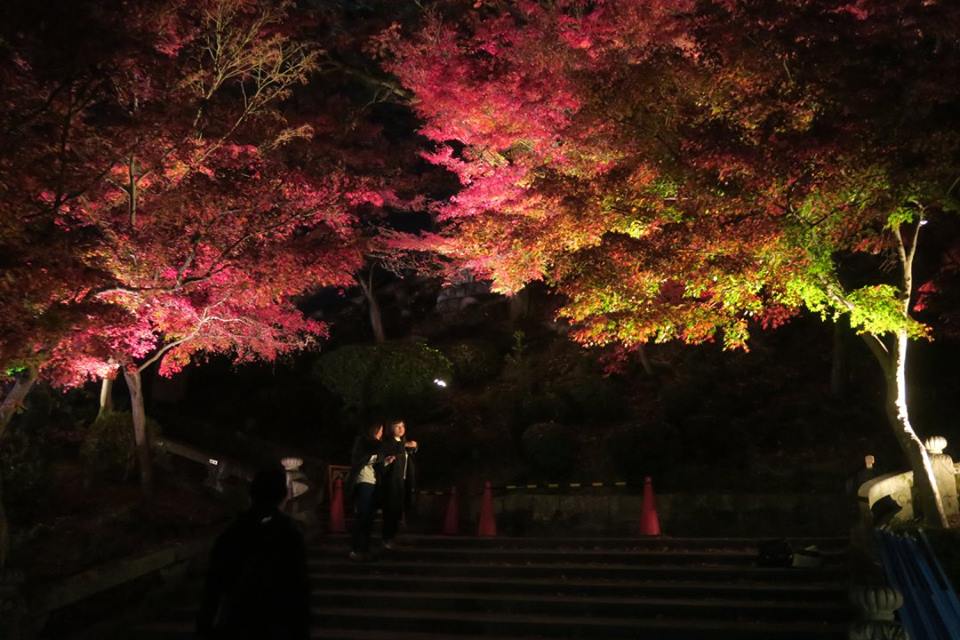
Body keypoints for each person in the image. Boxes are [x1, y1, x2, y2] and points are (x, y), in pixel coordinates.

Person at [197, 463, 309, 640]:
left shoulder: (234, 532)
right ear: (283, 495)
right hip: (276, 622)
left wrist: (205, 626)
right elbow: (299, 588)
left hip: (238, 620)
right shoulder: (289, 534)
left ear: (252, 493)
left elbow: (213, 586)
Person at [347, 423, 388, 561]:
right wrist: (376, 457)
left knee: (370, 517)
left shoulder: (381, 445)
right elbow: (358, 459)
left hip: (374, 482)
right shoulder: (362, 441)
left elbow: (378, 465)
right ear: (374, 430)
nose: (381, 433)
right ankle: (355, 549)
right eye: (380, 430)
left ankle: (365, 549)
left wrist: (385, 461)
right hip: (363, 480)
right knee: (362, 515)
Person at [379, 419, 418, 550]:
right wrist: (406, 445)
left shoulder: (403, 442)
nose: (401, 429)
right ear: (391, 428)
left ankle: (392, 538)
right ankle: (386, 538)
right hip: (392, 482)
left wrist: (413, 447)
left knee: (397, 511)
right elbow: (392, 453)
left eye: (402, 426)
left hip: (403, 481)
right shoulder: (389, 443)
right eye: (397, 426)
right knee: (390, 510)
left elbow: (409, 455)